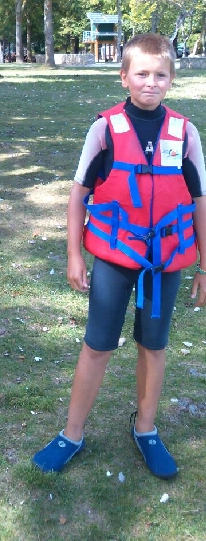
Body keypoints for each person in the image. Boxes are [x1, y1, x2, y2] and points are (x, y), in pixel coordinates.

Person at [32, 33, 206, 479]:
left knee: (154, 346)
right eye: (141, 73)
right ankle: (72, 433)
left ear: (172, 79)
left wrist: (204, 266)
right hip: (113, 260)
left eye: (160, 75)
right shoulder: (105, 129)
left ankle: (146, 429)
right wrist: (74, 255)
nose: (151, 82)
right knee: (97, 345)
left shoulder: (185, 133)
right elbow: (78, 196)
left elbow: (200, 201)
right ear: (124, 76)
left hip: (163, 264)